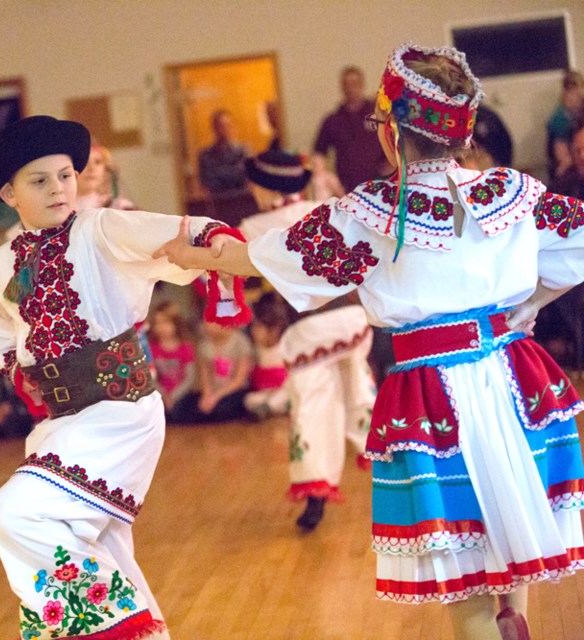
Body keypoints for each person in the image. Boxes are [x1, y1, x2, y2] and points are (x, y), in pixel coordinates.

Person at [155, 43, 584, 640]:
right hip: (515, 376)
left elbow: (262, 257)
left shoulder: (377, 211)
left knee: (466, 581)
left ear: (392, 133)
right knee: (512, 546)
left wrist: (191, 253)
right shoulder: (512, 193)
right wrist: (528, 306)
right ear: (461, 130)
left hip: (435, 390)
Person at [0, 115, 249, 640]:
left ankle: (104, 631)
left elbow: (176, 232)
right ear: (9, 193)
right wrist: (13, 365)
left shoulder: (101, 229)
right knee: (97, 543)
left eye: (65, 174)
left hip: (120, 409)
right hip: (60, 421)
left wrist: (218, 247)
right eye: (39, 180)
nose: (58, 187)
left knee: (16, 512)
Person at [240, 148, 377, 531]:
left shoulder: (255, 226)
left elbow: (232, 269)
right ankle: (403, 470)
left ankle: (316, 495)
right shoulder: (327, 208)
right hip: (353, 318)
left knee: (314, 408)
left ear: (265, 190)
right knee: (360, 394)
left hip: (308, 330)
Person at [312, 66, 390, 195]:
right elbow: (319, 153)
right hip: (346, 190)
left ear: (362, 85)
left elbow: (395, 142)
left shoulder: (378, 114)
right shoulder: (333, 120)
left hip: (380, 186)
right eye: (347, 84)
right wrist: (323, 179)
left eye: (355, 83)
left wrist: (389, 171)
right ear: (342, 87)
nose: (351, 88)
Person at [167, 318, 253, 424]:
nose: (206, 325)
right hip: (213, 391)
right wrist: (207, 395)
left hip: (233, 391)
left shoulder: (241, 342)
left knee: (223, 410)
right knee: (183, 409)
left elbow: (239, 380)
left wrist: (216, 397)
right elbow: (206, 375)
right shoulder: (205, 344)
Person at [243, 292, 290, 421]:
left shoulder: (285, 349)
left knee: (283, 397)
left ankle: (270, 408)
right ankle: (265, 409)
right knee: (250, 400)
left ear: (274, 330)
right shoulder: (256, 351)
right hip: (264, 393)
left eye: (258, 327)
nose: (254, 331)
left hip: (282, 393)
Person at [147, 301, 196, 416]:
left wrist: (174, 395)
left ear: (176, 323)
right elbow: (151, 377)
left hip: (181, 393)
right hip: (159, 393)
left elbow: (190, 377)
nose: (160, 328)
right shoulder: (151, 348)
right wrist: (163, 394)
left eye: (165, 323)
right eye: (156, 323)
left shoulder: (185, 347)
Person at [197, 109, 250, 195]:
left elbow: (244, 177)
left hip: (241, 199)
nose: (225, 129)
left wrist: (220, 173)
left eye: (228, 125)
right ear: (214, 128)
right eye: (221, 126)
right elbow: (208, 181)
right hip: (217, 200)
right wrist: (232, 173)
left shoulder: (243, 151)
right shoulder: (205, 155)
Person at [546, 70, 584, 187]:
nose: (573, 96)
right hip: (569, 161)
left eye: (577, 92)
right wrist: (571, 160)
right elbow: (562, 154)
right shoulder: (560, 118)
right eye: (569, 92)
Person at [75, 143, 136, 210]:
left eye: (97, 162)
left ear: (105, 170)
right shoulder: (65, 208)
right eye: (85, 162)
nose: (92, 168)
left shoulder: (120, 207)